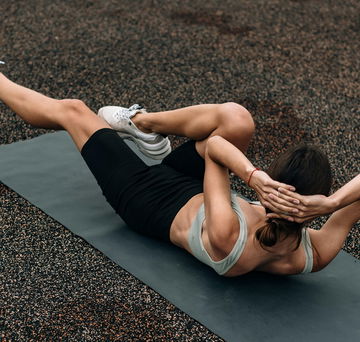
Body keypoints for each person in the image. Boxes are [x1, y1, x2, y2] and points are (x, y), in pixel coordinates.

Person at [0, 71, 359, 277]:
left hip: (145, 199)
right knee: (237, 119)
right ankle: (143, 124)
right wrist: (332, 203)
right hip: (191, 186)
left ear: (277, 179)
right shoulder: (315, 252)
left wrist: (254, 177)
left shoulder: (228, 234)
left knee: (74, 111)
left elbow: (216, 150)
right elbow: (216, 146)